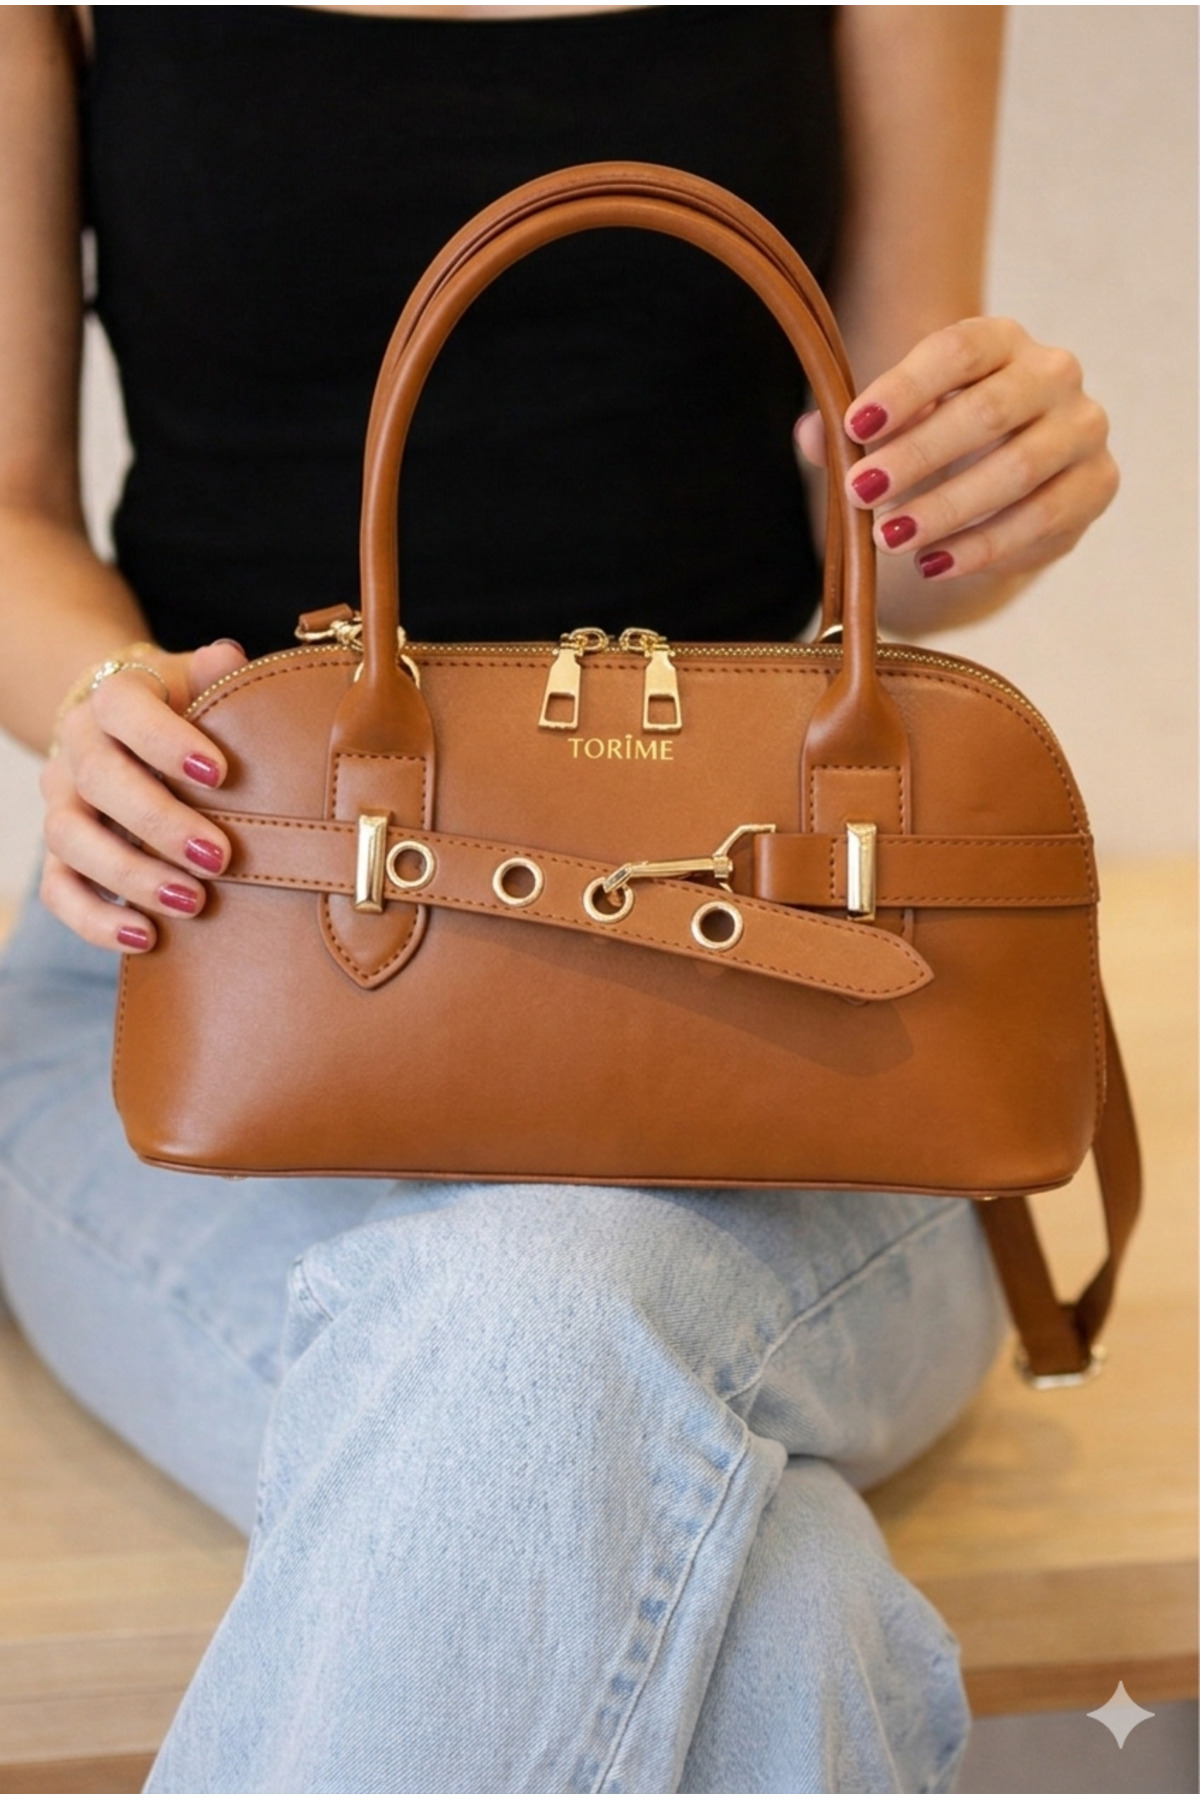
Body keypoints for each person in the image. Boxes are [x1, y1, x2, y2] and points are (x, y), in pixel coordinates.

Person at [0, 7, 1117, 1792]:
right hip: (208, 968)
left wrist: (984, 486)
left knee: (529, 1313)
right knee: (785, 1613)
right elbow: (7, 506)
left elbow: (882, 544)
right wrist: (101, 704)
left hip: (821, 1050)